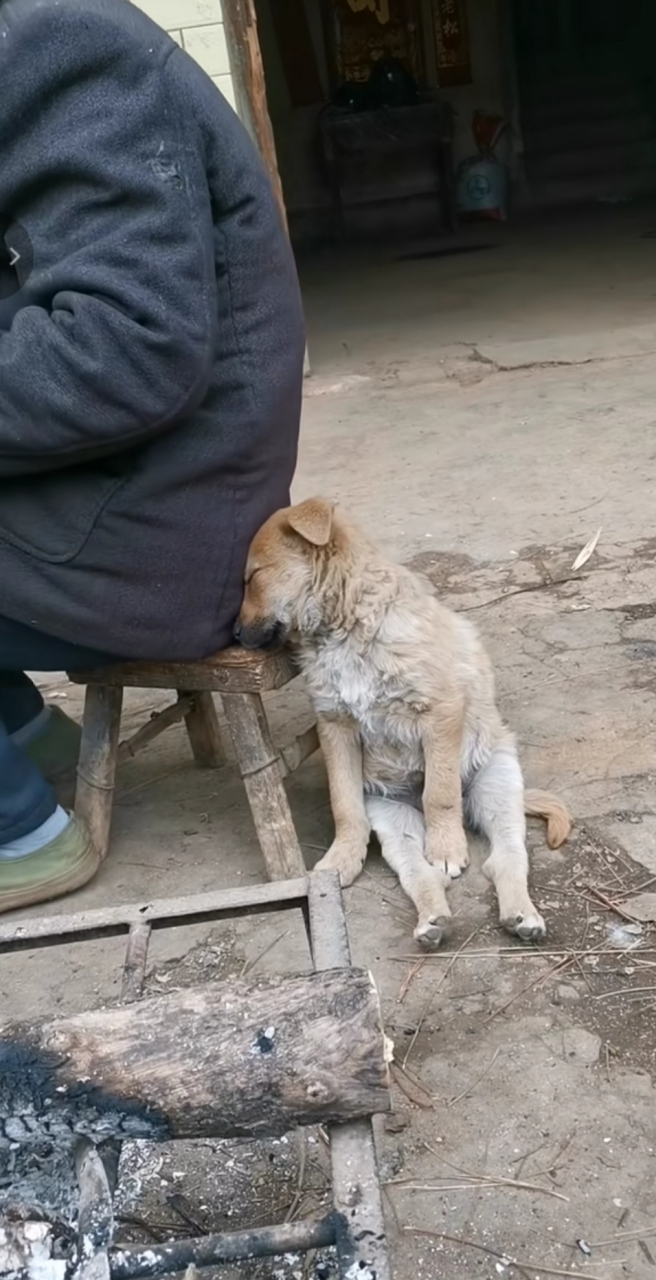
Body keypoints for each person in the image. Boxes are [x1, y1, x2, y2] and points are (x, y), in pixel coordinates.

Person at [0, 0, 305, 914]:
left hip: (165, 529)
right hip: (134, 492)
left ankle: (20, 835)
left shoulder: (55, 46)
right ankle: (33, 740)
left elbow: (127, 347)